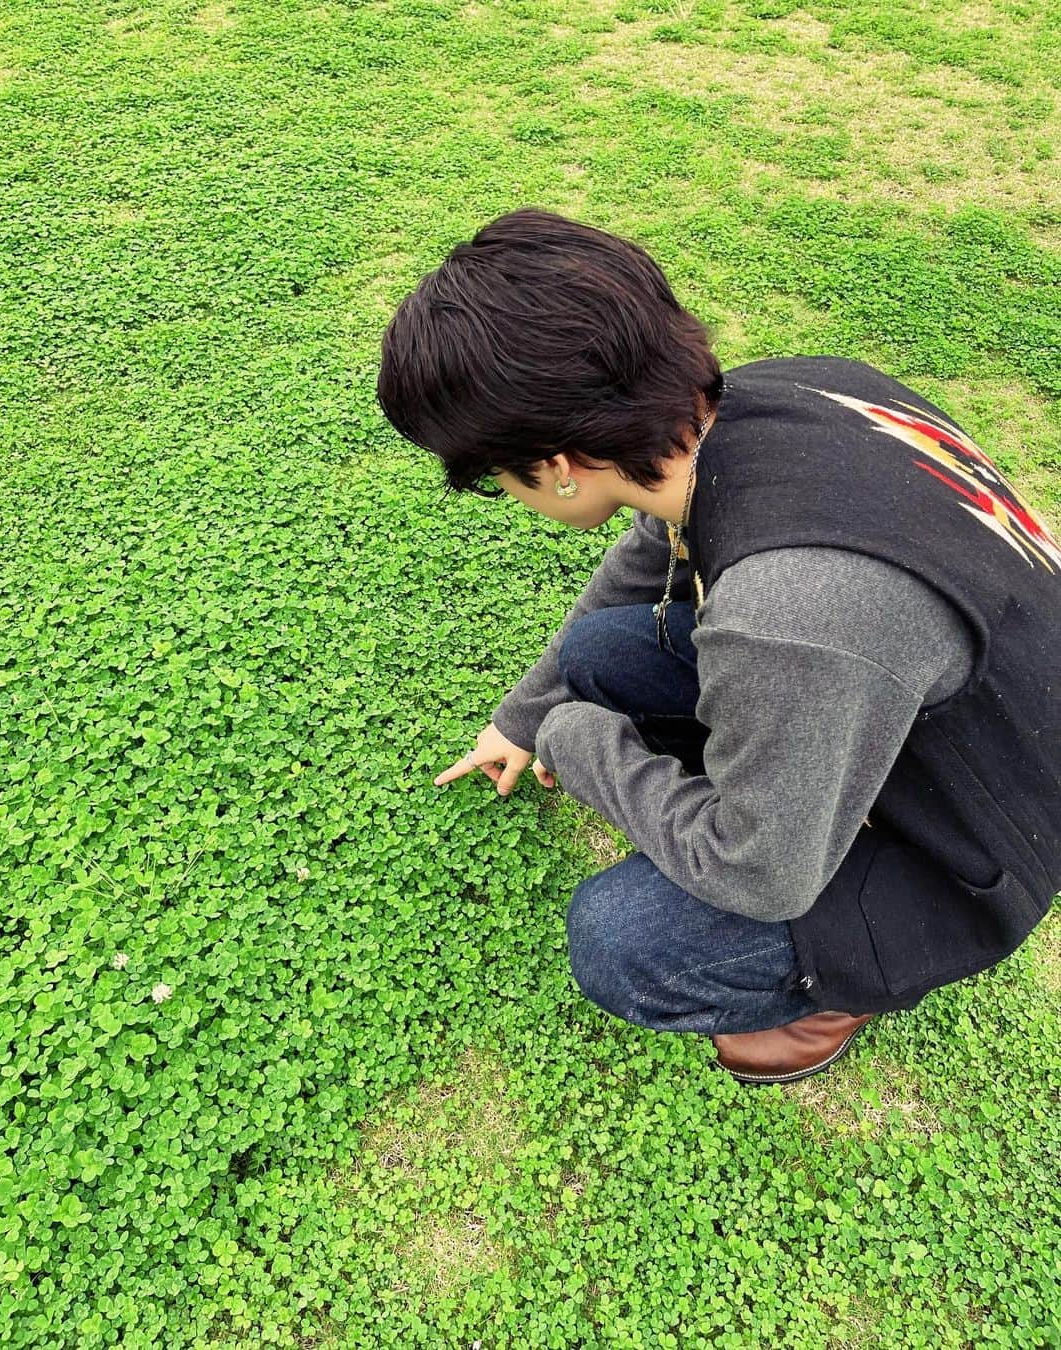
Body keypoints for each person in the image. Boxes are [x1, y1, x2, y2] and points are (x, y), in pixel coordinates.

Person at [376, 207, 1061, 1086]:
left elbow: (761, 875)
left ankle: (842, 989)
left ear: (556, 466)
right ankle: (795, 793)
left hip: (982, 829)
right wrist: (524, 715)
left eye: (495, 481)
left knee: (623, 943)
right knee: (598, 653)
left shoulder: (785, 618)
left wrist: (575, 741)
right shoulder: (772, 396)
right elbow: (646, 557)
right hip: (951, 695)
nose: (509, 495)